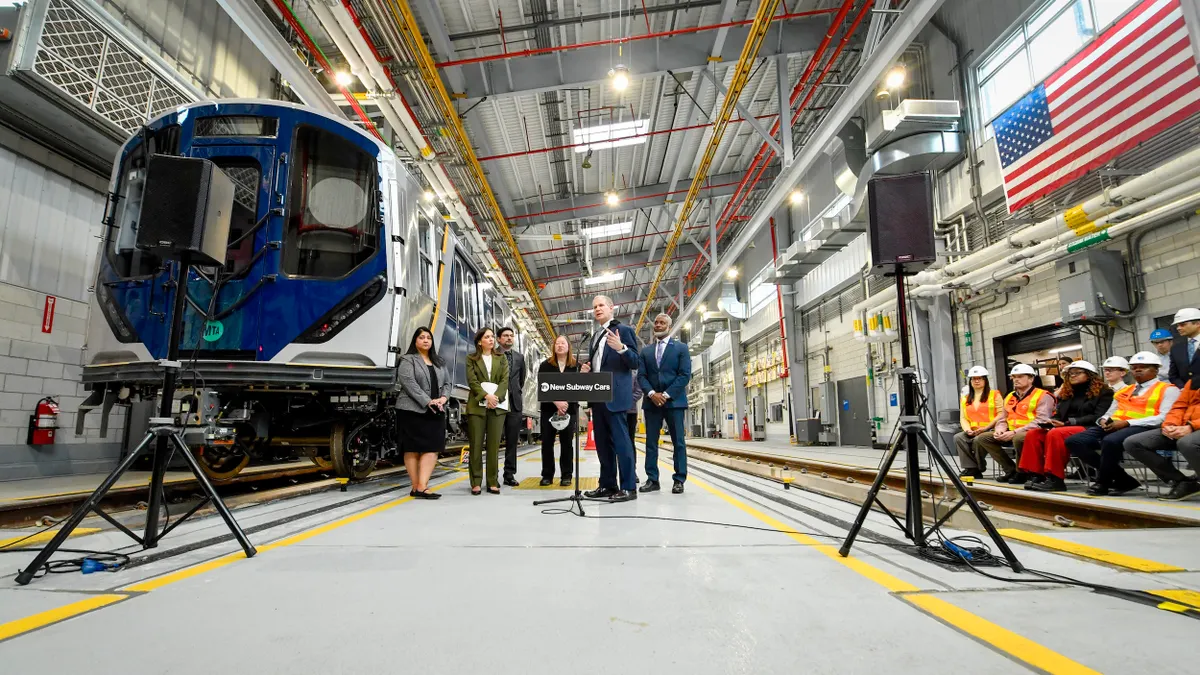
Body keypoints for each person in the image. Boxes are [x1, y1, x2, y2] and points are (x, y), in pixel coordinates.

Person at [1065, 351, 1179, 496]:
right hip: (1116, 424)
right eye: (1135, 367)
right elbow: (1110, 411)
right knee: (1074, 441)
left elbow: (1164, 417)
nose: (1137, 370)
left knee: (1110, 441)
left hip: (1142, 426)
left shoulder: (1169, 389)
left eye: (1143, 367)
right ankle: (1122, 478)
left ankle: (1103, 481)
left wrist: (1127, 423)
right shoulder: (1125, 390)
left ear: (1156, 369)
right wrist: (1103, 420)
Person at [580, 295, 641, 502]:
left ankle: (628, 487)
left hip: (615, 395)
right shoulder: (595, 336)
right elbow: (600, 365)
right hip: (597, 395)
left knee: (622, 443)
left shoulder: (623, 331)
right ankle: (607, 485)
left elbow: (634, 362)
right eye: (594, 306)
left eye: (601, 305)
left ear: (611, 308)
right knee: (603, 444)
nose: (597, 309)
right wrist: (588, 370)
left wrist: (621, 348)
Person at [1018, 361, 1112, 492]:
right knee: (1034, 434)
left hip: (1089, 428)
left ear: (1090, 375)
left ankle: (1055, 478)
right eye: (1070, 374)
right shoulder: (1068, 393)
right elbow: (1060, 414)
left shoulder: (1104, 392)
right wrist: (1052, 421)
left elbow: (1098, 416)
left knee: (1056, 434)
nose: (1072, 376)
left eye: (1077, 373)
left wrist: (1068, 423)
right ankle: (1036, 475)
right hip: (1066, 427)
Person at [637, 313, 693, 494]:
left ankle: (679, 479)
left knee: (679, 442)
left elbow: (684, 375)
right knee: (651, 442)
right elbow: (641, 376)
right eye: (656, 322)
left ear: (669, 326)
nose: (658, 325)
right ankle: (652, 479)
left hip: (674, 402)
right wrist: (652, 394)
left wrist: (667, 394)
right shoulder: (645, 351)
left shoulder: (681, 348)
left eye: (662, 323)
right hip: (651, 402)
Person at [972, 364, 1055, 483]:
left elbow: (1042, 420)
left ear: (1031, 378)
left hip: (1035, 432)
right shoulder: (1010, 396)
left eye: (1020, 376)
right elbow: (1003, 418)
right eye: (1014, 377)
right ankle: (1011, 470)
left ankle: (1024, 472)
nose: (1016, 379)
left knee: (1018, 438)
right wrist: (999, 430)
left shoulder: (1043, 396)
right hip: (1011, 432)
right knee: (983, 438)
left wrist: (1014, 432)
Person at [394, 327, 450, 500]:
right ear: (415, 341)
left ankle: (422, 486)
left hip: (436, 410)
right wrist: (427, 400)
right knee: (412, 449)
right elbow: (408, 383)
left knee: (433, 448)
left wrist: (443, 398)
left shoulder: (439, 362)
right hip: (411, 410)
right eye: (421, 337)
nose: (426, 340)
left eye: (428, 338)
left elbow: (448, 383)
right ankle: (416, 486)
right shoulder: (407, 359)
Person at [1123, 375, 1200, 501]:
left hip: (1193, 427)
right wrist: (1170, 425)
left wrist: (1192, 426)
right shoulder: (1194, 381)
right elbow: (1179, 406)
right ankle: (1181, 482)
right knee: (1133, 443)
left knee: (1187, 443)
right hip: (1183, 426)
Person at [466, 327, 508, 495]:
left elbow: (505, 380)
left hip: (497, 407)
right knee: (475, 445)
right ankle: (475, 481)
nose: (491, 339)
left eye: (492, 337)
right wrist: (485, 396)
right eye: (487, 337)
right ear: (479, 341)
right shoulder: (471, 359)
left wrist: (495, 398)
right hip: (477, 406)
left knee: (494, 446)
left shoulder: (502, 358)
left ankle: (492, 481)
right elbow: (472, 381)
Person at [537, 334, 578, 487]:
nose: (560, 345)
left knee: (566, 443)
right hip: (549, 409)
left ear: (568, 346)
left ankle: (566, 475)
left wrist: (565, 404)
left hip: (569, 410)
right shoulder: (545, 365)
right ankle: (547, 475)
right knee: (547, 442)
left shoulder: (576, 366)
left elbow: (579, 387)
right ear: (554, 347)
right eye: (557, 343)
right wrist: (557, 402)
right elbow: (543, 386)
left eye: (563, 343)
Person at [954, 366, 1002, 479]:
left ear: (985, 380)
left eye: (979, 378)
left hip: (991, 429)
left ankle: (978, 468)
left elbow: (1001, 414)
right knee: (958, 437)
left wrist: (986, 428)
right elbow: (963, 418)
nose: (976, 381)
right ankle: (970, 467)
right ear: (970, 381)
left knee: (977, 440)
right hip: (973, 430)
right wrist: (967, 430)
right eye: (973, 379)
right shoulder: (965, 398)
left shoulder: (995, 394)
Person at [497, 326, 526, 487]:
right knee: (494, 441)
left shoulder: (520, 357)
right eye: (505, 336)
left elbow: (521, 379)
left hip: (514, 403)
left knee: (512, 441)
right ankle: (492, 475)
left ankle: (509, 474)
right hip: (497, 402)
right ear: (499, 339)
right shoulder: (492, 354)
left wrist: (513, 392)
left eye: (511, 336)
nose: (509, 338)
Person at [1167, 308, 1200, 388]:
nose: (1178, 328)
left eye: (1182, 324)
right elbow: (1173, 375)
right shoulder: (1176, 348)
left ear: (1197, 323)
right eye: (1177, 325)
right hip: (1187, 396)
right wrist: (1184, 388)